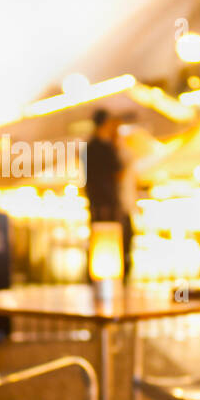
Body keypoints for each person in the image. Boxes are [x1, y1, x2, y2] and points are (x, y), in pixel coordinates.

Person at [83, 109, 133, 280]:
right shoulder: (102, 148)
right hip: (107, 207)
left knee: (100, 245)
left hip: (99, 206)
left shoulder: (91, 147)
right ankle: (111, 284)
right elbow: (118, 171)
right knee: (112, 245)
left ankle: (98, 282)